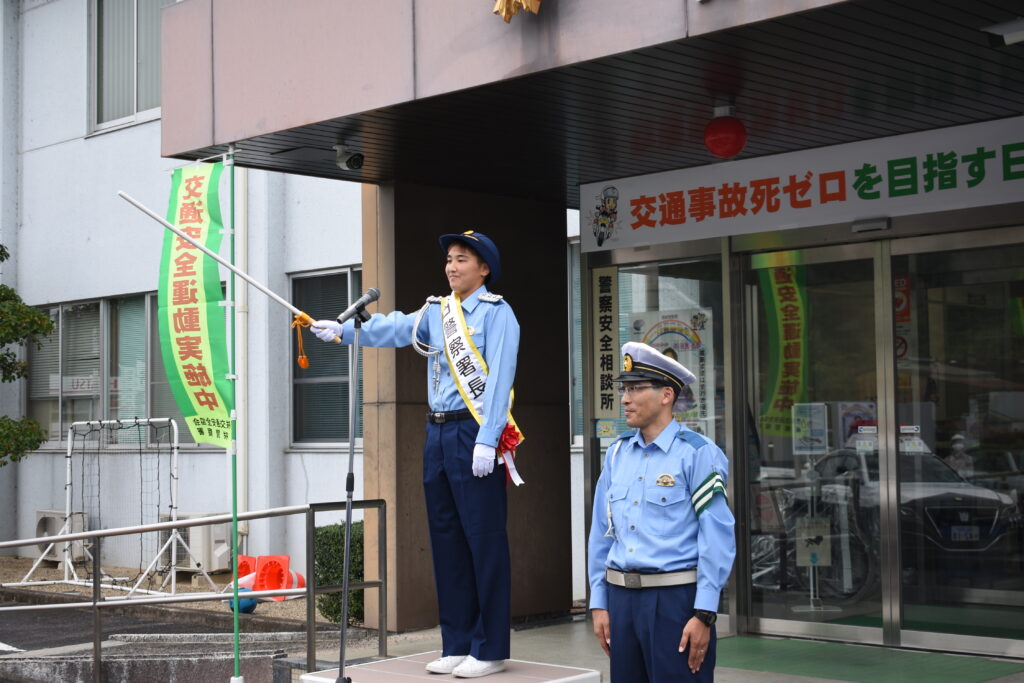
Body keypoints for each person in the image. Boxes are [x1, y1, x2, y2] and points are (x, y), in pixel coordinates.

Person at [311, 230, 521, 679]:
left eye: (462, 259)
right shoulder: (437, 312)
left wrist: (488, 438)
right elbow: (396, 327)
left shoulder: (498, 314)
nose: (451, 266)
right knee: (446, 541)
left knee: (483, 542)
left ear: (484, 269)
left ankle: (490, 647)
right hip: (437, 432)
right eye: (449, 258)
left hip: (473, 432)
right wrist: (345, 332)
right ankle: (457, 642)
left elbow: (500, 380)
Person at [587, 341, 735, 683]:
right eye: (624, 389)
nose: (625, 398)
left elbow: (717, 538)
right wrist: (599, 601)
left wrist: (704, 613)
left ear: (666, 395)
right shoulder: (617, 454)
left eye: (636, 388)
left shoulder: (697, 454)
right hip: (621, 600)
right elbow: (600, 533)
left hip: (675, 603)